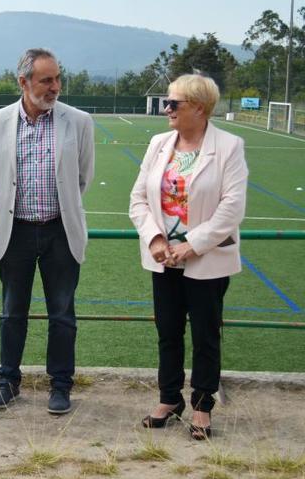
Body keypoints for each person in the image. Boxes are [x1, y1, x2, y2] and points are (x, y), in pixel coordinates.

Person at [130, 74, 247, 440]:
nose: (167, 109)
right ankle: (169, 399)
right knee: (167, 331)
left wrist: (192, 244)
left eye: (173, 103)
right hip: (163, 258)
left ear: (199, 107)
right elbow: (138, 199)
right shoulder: (158, 143)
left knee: (206, 334)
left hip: (206, 259)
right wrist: (155, 239)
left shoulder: (229, 147)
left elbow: (232, 208)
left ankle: (201, 406)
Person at [0, 48, 95, 414]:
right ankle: (8, 380)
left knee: (62, 314)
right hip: (15, 231)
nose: (55, 87)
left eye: (57, 78)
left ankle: (60, 386)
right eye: (46, 80)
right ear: (24, 82)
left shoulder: (78, 122)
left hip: (60, 232)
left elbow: (82, 177)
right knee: (12, 312)